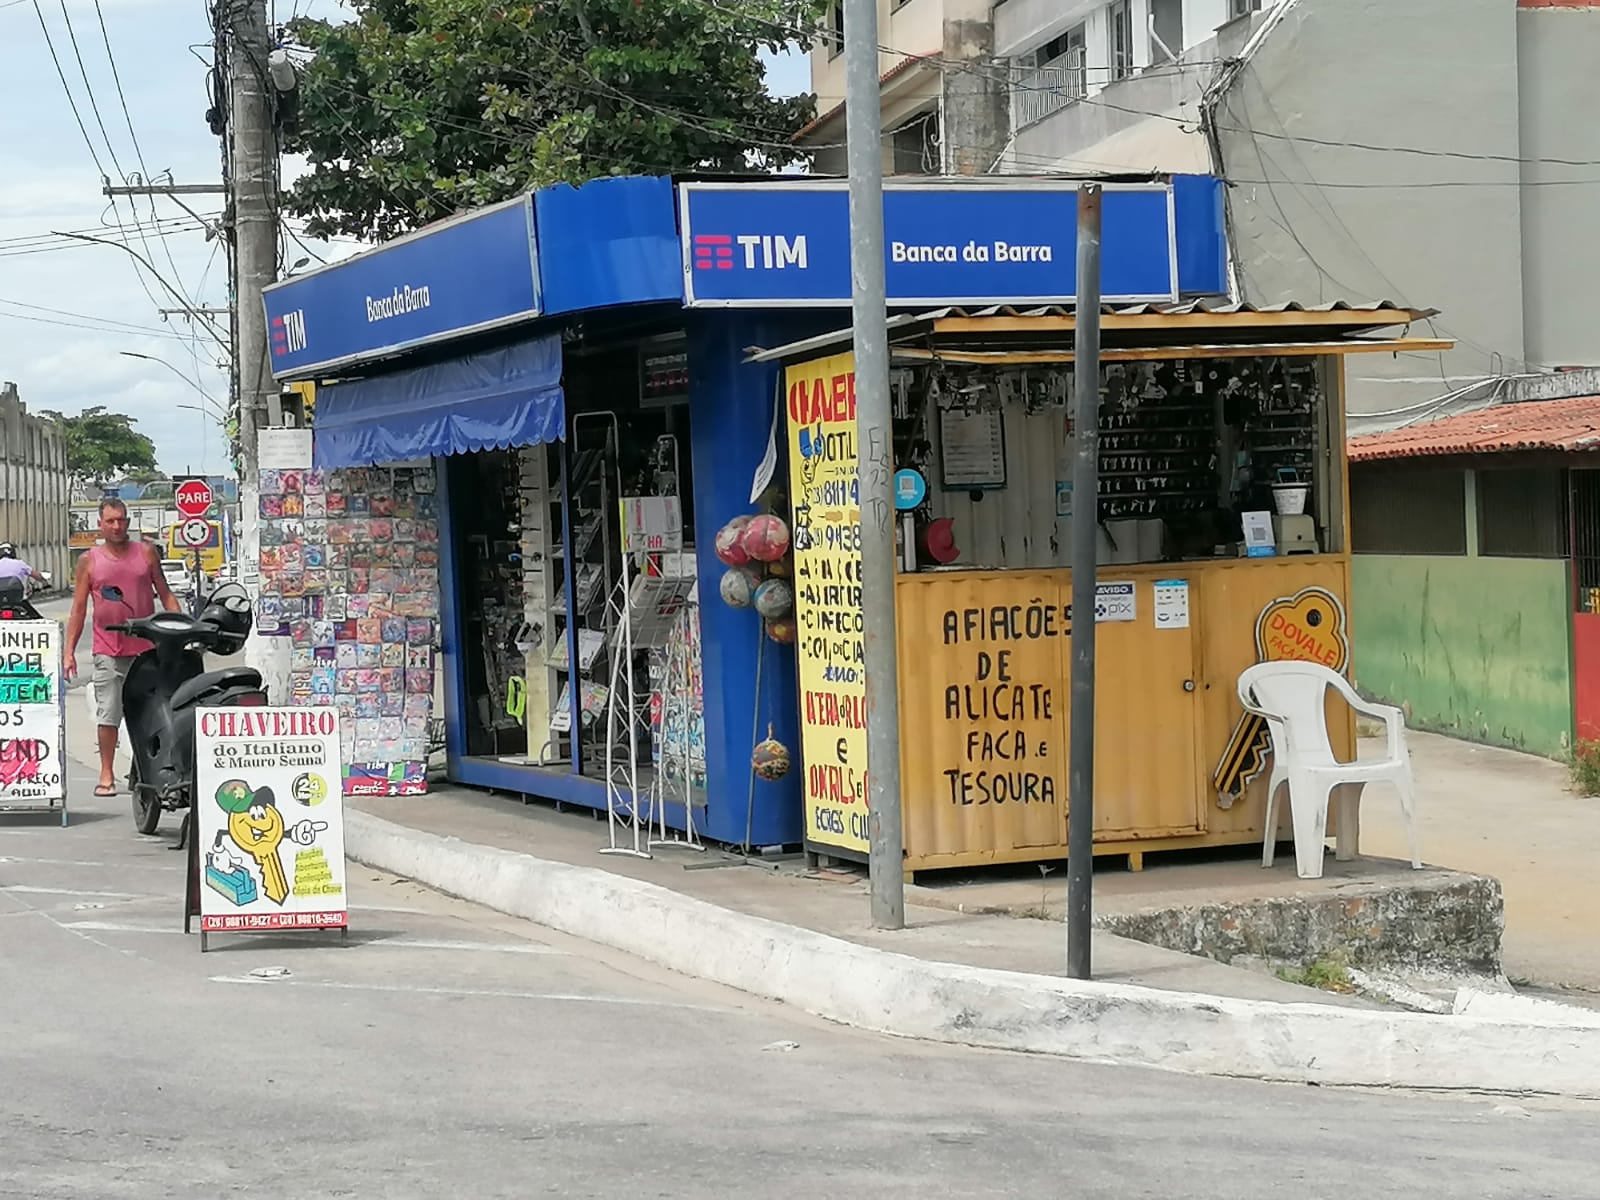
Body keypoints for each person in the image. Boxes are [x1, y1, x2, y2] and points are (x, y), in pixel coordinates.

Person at [65, 498, 180, 797]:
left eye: (122, 520)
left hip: (147, 650)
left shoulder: (146, 553)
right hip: (108, 650)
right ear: (101, 525)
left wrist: (181, 629)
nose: (117, 526)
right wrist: (68, 653)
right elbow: (78, 609)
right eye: (111, 521)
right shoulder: (89, 560)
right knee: (109, 714)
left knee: (153, 713)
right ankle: (106, 773)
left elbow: (165, 595)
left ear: (128, 522)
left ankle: (150, 768)